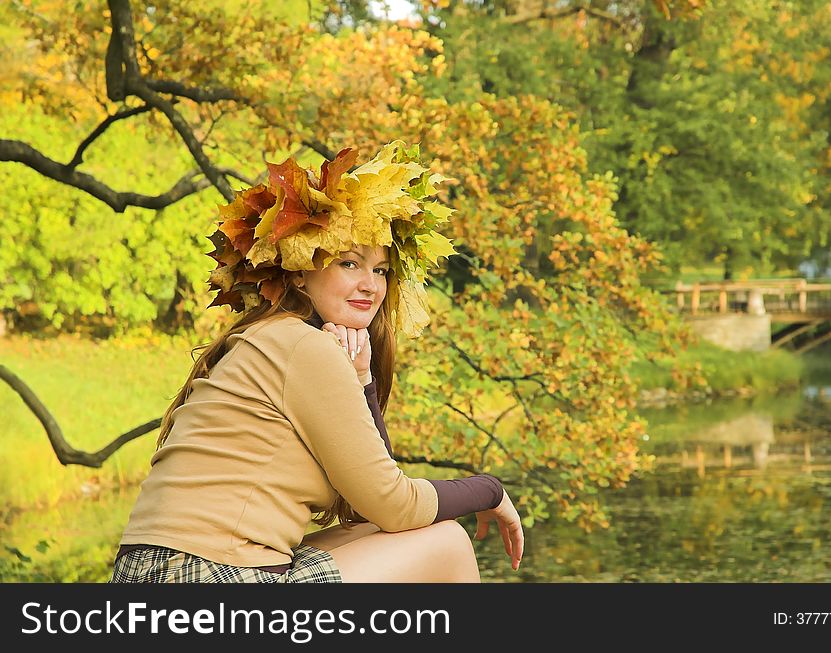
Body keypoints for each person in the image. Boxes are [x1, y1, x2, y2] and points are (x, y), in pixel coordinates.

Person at [110, 141, 524, 583]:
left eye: (381, 271)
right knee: (447, 543)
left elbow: (374, 502)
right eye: (349, 263)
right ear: (301, 271)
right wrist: (490, 491)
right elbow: (397, 503)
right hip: (201, 577)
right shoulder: (304, 347)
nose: (371, 286)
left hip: (152, 573)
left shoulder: (269, 336)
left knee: (369, 531)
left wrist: (363, 379)